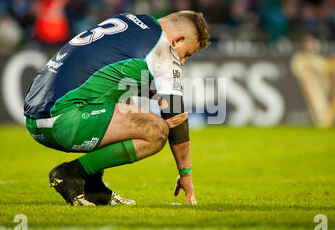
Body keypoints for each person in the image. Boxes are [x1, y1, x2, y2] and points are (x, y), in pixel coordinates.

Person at [24, 11, 210, 206]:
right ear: (178, 41)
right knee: (157, 131)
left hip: (35, 118)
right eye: (187, 54)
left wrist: (154, 94)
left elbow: (111, 75)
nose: (182, 62)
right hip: (63, 120)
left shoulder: (127, 19)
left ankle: (93, 186)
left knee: (126, 103)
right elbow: (177, 118)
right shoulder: (163, 48)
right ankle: (71, 173)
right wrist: (185, 175)